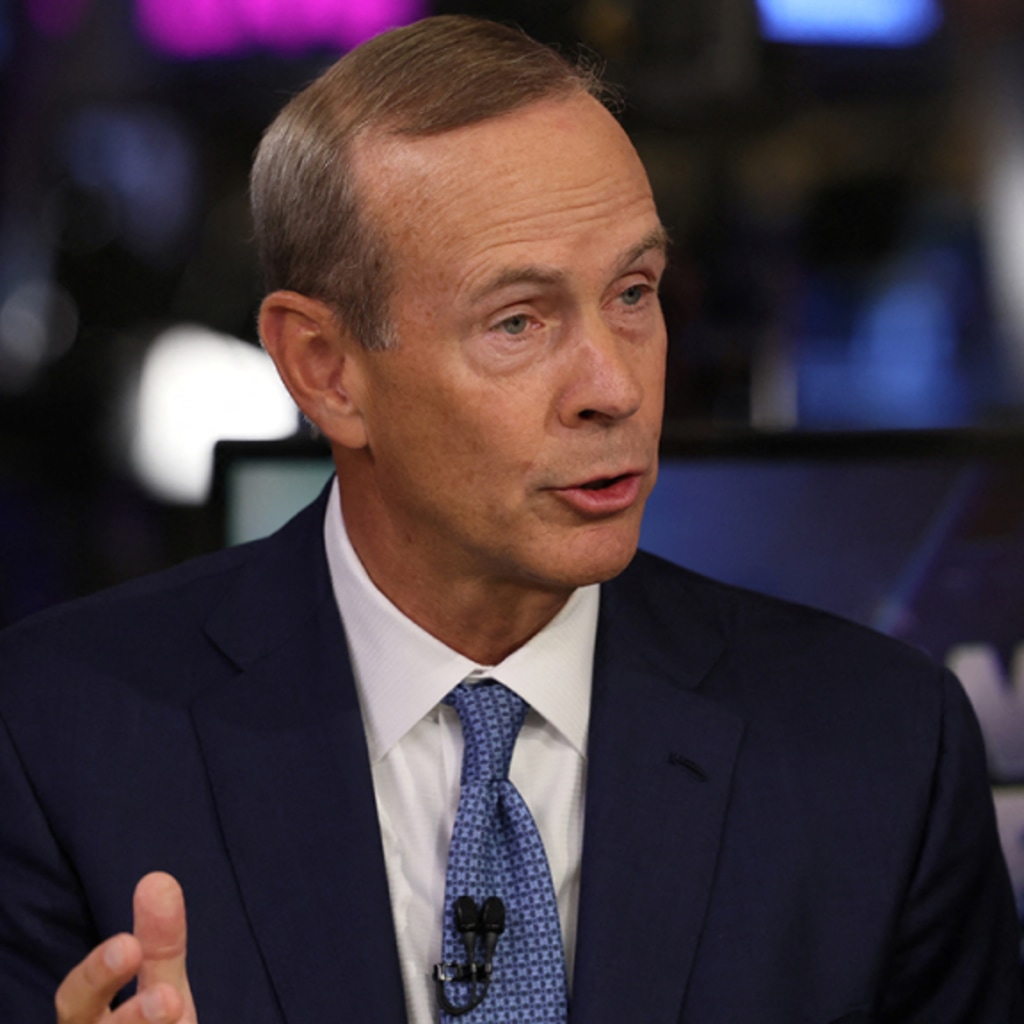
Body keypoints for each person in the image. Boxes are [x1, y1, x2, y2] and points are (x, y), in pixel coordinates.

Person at [0, 14, 1020, 1024]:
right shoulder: (53, 739)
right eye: (518, 321)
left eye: (633, 293)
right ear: (325, 369)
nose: (614, 388)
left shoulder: (885, 749)